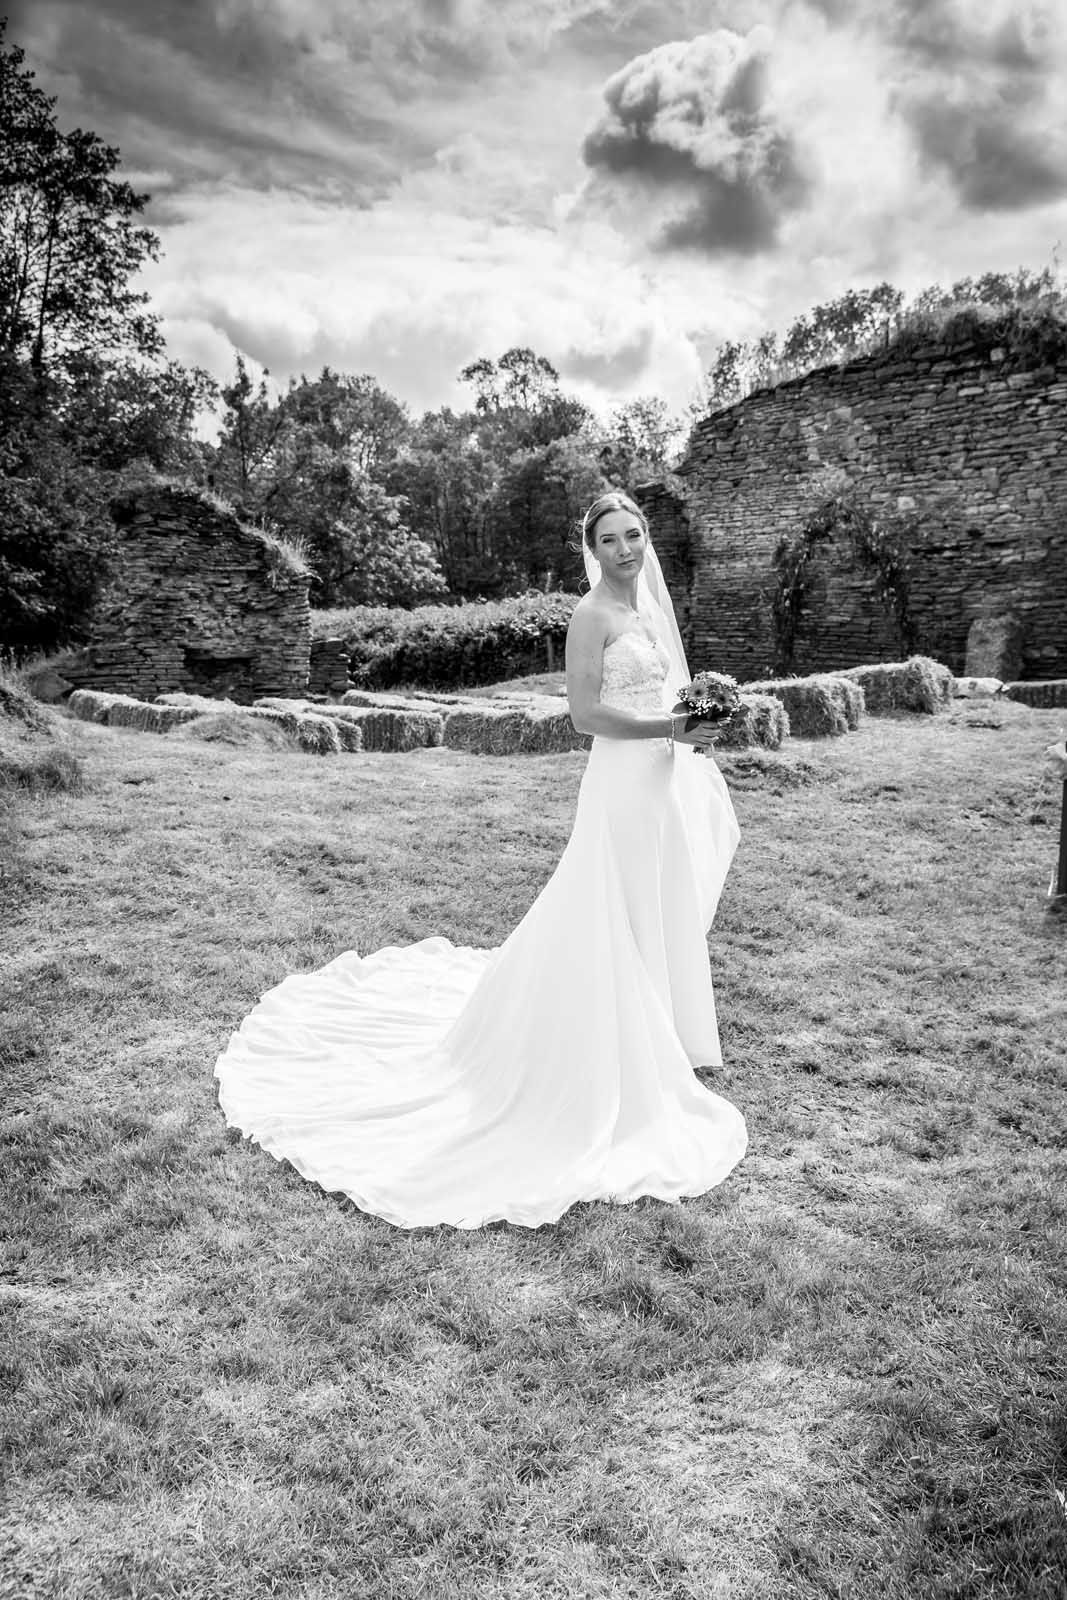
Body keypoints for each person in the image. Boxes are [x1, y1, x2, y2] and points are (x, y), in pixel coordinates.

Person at [214, 490, 747, 1229]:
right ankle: (603, 1050)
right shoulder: (590, 618)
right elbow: (585, 715)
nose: (625, 548)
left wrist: (693, 726)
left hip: (658, 774)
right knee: (608, 901)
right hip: (618, 782)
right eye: (610, 539)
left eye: (634, 534)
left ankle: (663, 1033)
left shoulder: (651, 615)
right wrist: (668, 722)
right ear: (591, 550)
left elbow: (666, 691)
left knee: (650, 899)